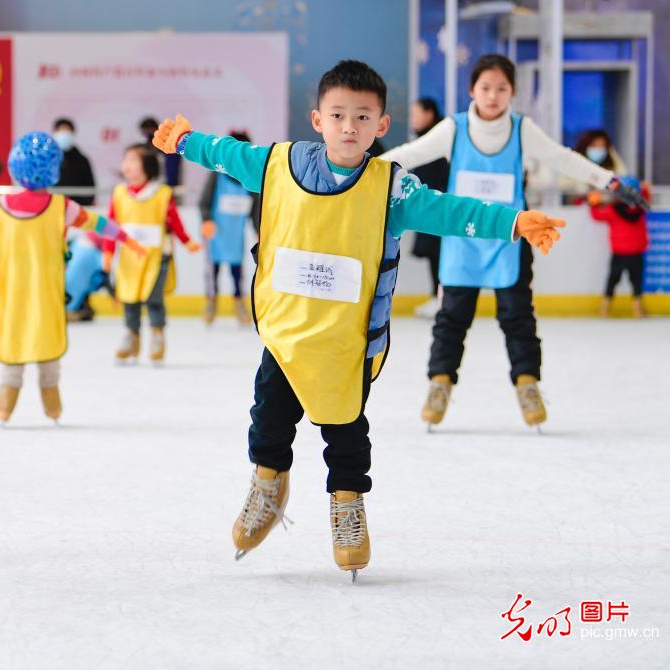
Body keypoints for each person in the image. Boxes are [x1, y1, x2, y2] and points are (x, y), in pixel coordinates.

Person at [151, 60, 565, 578]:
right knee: (269, 418)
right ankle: (268, 482)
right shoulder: (280, 165)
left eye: (363, 117)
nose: (350, 127)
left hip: (349, 342)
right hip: (287, 332)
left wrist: (513, 222)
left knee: (346, 431)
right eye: (339, 115)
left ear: (382, 126)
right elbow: (229, 154)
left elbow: (450, 211)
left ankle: (347, 504)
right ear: (317, 120)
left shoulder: (391, 188)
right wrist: (186, 141)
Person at [380, 54, 645, 431]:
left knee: (518, 318)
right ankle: (439, 383)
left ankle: (527, 384)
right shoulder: (453, 129)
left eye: (501, 88)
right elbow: (408, 155)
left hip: (511, 239)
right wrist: (364, 173)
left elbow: (563, 159)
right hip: (463, 242)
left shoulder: (522, 130)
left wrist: (610, 182)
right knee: (451, 319)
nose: (492, 96)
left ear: (512, 93)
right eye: (485, 87)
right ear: (472, 90)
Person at [0, 132, 142, 424]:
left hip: (13, 294)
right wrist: (125, 238)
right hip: (48, 293)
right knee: (48, 343)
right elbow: (97, 222)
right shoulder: (62, 207)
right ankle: (52, 403)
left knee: (15, 342)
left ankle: (5, 402)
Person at [103, 143, 202, 366]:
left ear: (147, 166)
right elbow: (111, 225)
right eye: (125, 159)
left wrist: (187, 242)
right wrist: (108, 251)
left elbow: (174, 221)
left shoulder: (162, 194)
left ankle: (157, 336)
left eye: (132, 160)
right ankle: (131, 336)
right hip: (129, 258)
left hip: (158, 257)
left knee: (154, 298)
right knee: (129, 298)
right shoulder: (119, 194)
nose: (126, 164)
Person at [199, 130, 259, 325]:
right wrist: (207, 219)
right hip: (216, 233)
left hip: (235, 235)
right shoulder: (218, 176)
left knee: (237, 271)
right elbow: (204, 201)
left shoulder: (251, 180)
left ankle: (239, 302)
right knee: (213, 270)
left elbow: (255, 210)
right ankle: (211, 301)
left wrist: (259, 231)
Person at [403, 97, 449, 318]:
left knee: (439, 254)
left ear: (429, 113)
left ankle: (441, 298)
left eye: (416, 113)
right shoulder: (424, 140)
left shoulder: (436, 141)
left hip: (438, 207)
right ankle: (436, 296)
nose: (413, 119)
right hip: (428, 207)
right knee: (433, 254)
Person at [587, 177, 650, 318]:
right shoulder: (641, 208)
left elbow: (597, 216)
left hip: (619, 253)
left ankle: (604, 309)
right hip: (636, 252)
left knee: (612, 280)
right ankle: (638, 310)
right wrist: (644, 188)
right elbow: (646, 195)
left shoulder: (612, 210)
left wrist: (593, 203)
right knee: (637, 281)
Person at [53, 118, 96, 206]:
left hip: (78, 208)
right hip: (53, 208)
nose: (63, 134)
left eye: (67, 130)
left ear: (73, 133)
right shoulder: (49, 160)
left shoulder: (83, 160)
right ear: (54, 133)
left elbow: (90, 188)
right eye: (60, 131)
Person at [140, 115, 182, 187]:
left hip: (168, 183)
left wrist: (171, 184)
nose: (146, 136)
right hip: (153, 184)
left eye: (147, 133)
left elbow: (173, 169)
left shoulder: (169, 142)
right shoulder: (148, 145)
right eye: (144, 134)